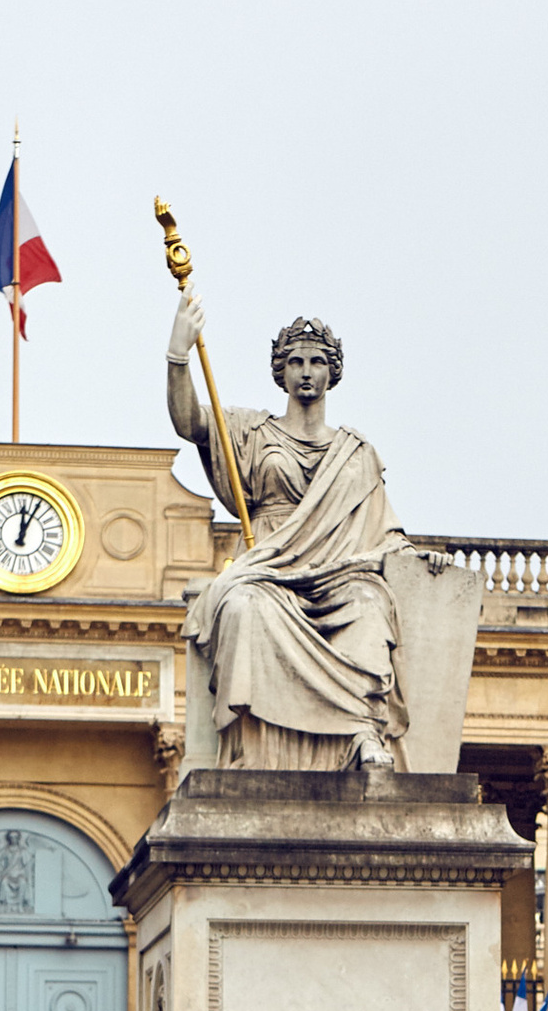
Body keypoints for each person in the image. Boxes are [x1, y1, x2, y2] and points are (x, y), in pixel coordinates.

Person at [166, 289, 440, 770]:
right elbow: (190, 422)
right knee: (242, 605)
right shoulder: (252, 431)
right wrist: (178, 354)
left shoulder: (357, 453)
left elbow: (385, 532)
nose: (306, 371)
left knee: (370, 606)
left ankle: (361, 734)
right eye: (295, 361)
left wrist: (417, 558)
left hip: (340, 571)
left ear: (332, 372)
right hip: (269, 566)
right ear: (281, 372)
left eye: (316, 361)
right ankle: (253, 747)